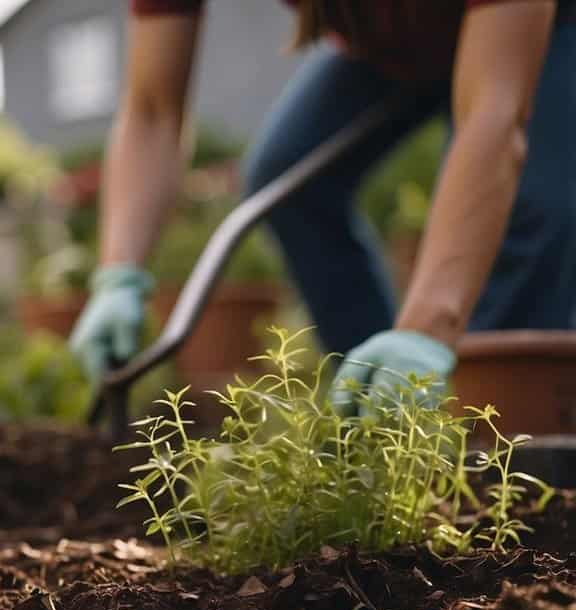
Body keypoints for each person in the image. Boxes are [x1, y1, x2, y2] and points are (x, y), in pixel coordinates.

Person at [69, 0, 575, 414]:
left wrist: (427, 330)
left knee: (532, 208)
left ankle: (500, 446)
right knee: (287, 181)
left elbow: (494, 115)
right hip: (398, 45)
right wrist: (119, 275)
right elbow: (153, 109)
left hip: (549, 24)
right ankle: (372, 412)